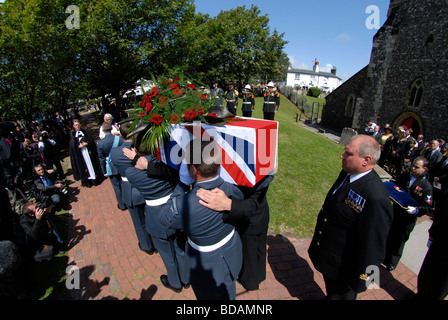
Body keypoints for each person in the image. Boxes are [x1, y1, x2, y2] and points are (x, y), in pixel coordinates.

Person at [308, 135, 393, 300]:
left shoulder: (375, 196)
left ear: (365, 160)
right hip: (331, 262)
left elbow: (374, 247)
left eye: (348, 153)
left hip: (346, 271)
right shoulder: (347, 173)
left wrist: (361, 282)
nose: (342, 156)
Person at [159, 140, 244, 300]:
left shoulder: (183, 204)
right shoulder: (232, 189)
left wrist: (182, 185)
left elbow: (164, 217)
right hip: (231, 255)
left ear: (193, 169)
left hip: (205, 266)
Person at [126, 129, 188, 293]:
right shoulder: (166, 163)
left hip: (155, 216)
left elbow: (135, 173)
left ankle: (175, 283)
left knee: (167, 254)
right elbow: (174, 173)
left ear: (136, 149)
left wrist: (135, 160)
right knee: (180, 248)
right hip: (174, 209)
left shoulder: (131, 172)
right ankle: (186, 278)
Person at [196, 174, 274, 291]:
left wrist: (228, 204)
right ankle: (258, 276)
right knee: (258, 251)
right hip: (258, 215)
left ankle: (250, 282)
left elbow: (251, 205)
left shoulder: (256, 177)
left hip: (250, 221)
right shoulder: (261, 169)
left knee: (250, 255)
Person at [110, 122, 155, 254]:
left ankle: (147, 246)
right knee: (151, 217)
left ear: (121, 135)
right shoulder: (142, 145)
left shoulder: (115, 152)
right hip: (146, 186)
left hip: (130, 189)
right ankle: (157, 242)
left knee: (138, 221)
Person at [383, 156, 433, 271]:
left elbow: (428, 207)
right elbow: (396, 187)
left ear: (424, 169)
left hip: (408, 219)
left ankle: (392, 261)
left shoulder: (427, 187)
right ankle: (384, 256)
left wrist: (417, 211)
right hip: (396, 212)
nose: (413, 169)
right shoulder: (405, 176)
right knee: (389, 233)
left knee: (400, 240)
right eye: (413, 166)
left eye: (417, 167)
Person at [415, 183, 448, 300]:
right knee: (428, 272)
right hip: (441, 239)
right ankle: (420, 295)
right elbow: (440, 214)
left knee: (442, 282)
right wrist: (432, 235)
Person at [97, 122, 125, 210]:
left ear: (103, 130)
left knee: (116, 187)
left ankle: (122, 205)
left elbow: (101, 159)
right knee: (124, 184)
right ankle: (128, 202)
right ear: (110, 129)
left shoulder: (100, 143)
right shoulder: (118, 139)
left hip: (110, 166)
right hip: (120, 164)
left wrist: (104, 170)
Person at [69, 119, 103, 188]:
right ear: (73, 126)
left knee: (91, 165)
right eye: (76, 125)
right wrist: (79, 147)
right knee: (84, 167)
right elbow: (72, 147)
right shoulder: (73, 135)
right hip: (81, 155)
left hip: (88, 152)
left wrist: (87, 143)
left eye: (78, 124)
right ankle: (87, 182)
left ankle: (95, 180)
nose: (77, 126)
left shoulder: (85, 132)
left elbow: (91, 140)